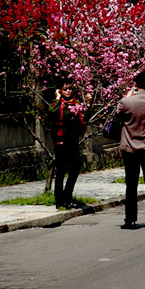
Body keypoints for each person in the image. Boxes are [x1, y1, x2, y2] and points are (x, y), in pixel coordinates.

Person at [116, 70, 145, 230]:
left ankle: (130, 220)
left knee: (131, 184)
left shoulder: (127, 102)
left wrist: (130, 95)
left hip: (130, 148)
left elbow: (117, 114)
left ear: (135, 84)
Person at [50, 80, 89, 210]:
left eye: (70, 88)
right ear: (60, 90)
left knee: (76, 166)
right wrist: (57, 99)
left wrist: (88, 104)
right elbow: (52, 114)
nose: (68, 91)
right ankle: (59, 200)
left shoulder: (76, 104)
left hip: (72, 141)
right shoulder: (57, 104)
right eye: (65, 88)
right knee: (60, 170)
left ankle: (67, 195)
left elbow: (84, 117)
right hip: (61, 141)